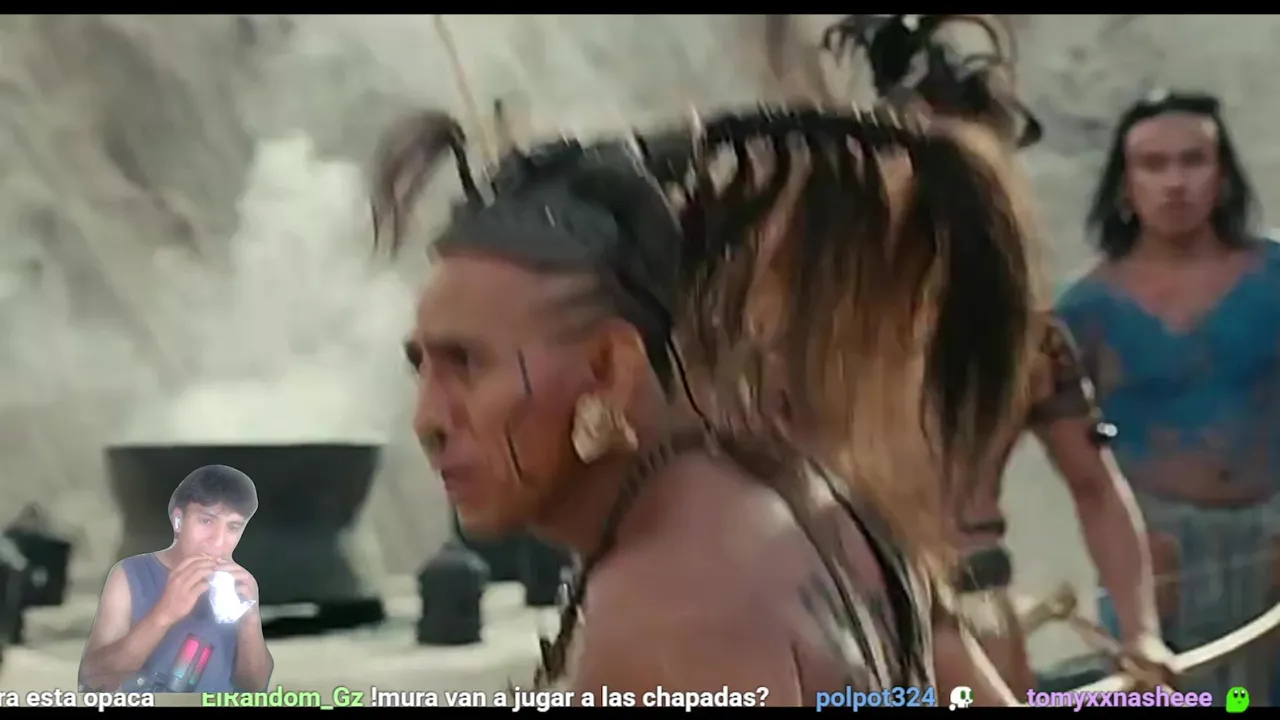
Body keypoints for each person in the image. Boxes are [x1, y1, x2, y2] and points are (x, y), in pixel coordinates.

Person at [371, 95, 1037, 704]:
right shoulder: (815, 497)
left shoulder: (665, 611)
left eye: (466, 364)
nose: (428, 420)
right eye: (419, 366)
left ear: (608, 368)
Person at [820, 14, 1167, 695]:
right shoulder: (820, 329)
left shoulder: (1027, 340)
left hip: (976, 608)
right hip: (844, 619)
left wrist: (1141, 631)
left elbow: (1096, 487)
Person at [1057, 89, 1276, 703]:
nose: (1175, 182)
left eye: (1193, 160)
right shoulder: (1085, 309)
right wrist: (1130, 548)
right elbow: (1066, 450)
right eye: (1153, 165)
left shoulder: (1273, 275)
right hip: (1157, 562)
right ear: (1125, 185)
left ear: (1223, 176)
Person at [78, 465, 272, 693]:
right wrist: (165, 613)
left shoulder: (242, 586)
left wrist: (249, 618)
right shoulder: (129, 574)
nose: (218, 541)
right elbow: (93, 682)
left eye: (233, 527)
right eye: (206, 521)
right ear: (178, 520)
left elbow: (256, 688)